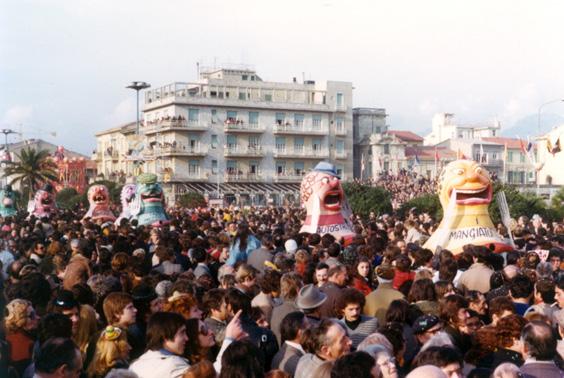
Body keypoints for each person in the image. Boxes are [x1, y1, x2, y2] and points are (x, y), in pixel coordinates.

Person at [129, 312, 190, 378]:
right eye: (182, 332)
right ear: (165, 336)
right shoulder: (176, 365)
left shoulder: (134, 366)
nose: (187, 338)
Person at [4, 299, 40, 375]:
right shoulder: (26, 345)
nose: (37, 317)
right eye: (32, 315)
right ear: (20, 320)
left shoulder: (7, 337)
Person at [271, 312, 308, 376]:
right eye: (308, 325)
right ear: (300, 332)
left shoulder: (281, 352)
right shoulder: (296, 361)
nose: (311, 328)